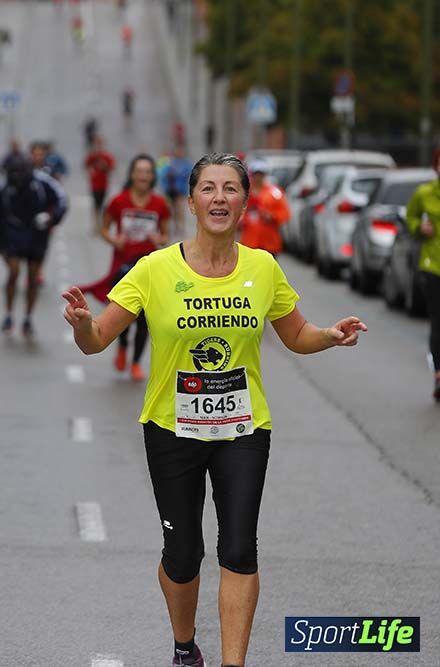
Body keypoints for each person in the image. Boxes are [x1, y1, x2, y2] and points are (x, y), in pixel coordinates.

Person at [63, 152, 367, 667]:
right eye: (209, 189)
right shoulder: (154, 269)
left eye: (230, 189)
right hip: (171, 429)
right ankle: (185, 645)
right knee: (183, 559)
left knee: (240, 549)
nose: (219, 198)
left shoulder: (262, 267)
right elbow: (97, 341)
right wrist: (82, 326)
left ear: (245, 202)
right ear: (190, 201)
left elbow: (295, 334)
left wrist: (330, 337)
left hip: (243, 429)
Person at [77, 154, 169, 381]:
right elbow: (104, 228)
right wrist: (114, 240)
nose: (143, 176)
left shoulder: (159, 204)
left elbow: (165, 235)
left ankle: (136, 362)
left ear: (152, 177)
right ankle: (122, 348)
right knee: (125, 313)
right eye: (139, 171)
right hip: (123, 267)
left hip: (149, 267)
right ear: (132, 174)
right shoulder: (119, 201)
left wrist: (159, 238)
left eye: (148, 172)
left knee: (146, 318)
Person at [0, 153, 68, 338]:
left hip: (36, 233)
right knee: (14, 271)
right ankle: (8, 314)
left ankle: (27, 317)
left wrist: (51, 218)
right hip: (13, 234)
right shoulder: (3, 186)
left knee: (33, 277)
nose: (16, 176)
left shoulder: (42, 182)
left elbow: (62, 200)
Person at [405, 145, 440, 401]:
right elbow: (410, 218)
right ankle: (439, 374)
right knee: (438, 323)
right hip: (433, 266)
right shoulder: (424, 194)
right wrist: (420, 226)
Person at [239, 159, 290, 256]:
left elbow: (285, 214)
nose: (258, 177)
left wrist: (272, 216)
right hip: (250, 244)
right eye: (255, 174)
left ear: (265, 175)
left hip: (269, 244)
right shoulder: (243, 193)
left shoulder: (275, 193)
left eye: (260, 174)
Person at [85, 135, 117, 234]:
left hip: (104, 184)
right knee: (96, 204)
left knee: (102, 204)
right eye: (97, 143)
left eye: (100, 143)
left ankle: (101, 224)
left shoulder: (107, 156)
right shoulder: (92, 155)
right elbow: (86, 165)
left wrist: (105, 167)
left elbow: (112, 168)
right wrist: (91, 172)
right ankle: (96, 225)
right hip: (94, 184)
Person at [162, 146, 193, 238]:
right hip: (171, 190)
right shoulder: (171, 163)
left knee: (180, 209)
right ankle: (176, 227)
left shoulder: (186, 163)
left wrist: (178, 174)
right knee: (173, 210)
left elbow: (189, 173)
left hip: (181, 190)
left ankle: (181, 228)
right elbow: (164, 175)